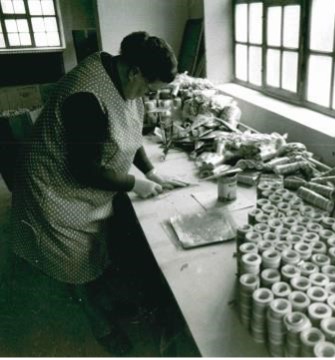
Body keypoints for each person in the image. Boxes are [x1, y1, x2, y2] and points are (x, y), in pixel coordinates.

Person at [8, 31, 186, 355]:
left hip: (80, 187)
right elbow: (84, 170)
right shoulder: (86, 96)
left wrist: (151, 170)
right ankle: (99, 324)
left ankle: (101, 300)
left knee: (93, 253)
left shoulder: (124, 80)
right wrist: (135, 184)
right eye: (148, 88)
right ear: (135, 71)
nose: (145, 95)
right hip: (54, 189)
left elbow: (128, 133)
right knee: (73, 262)